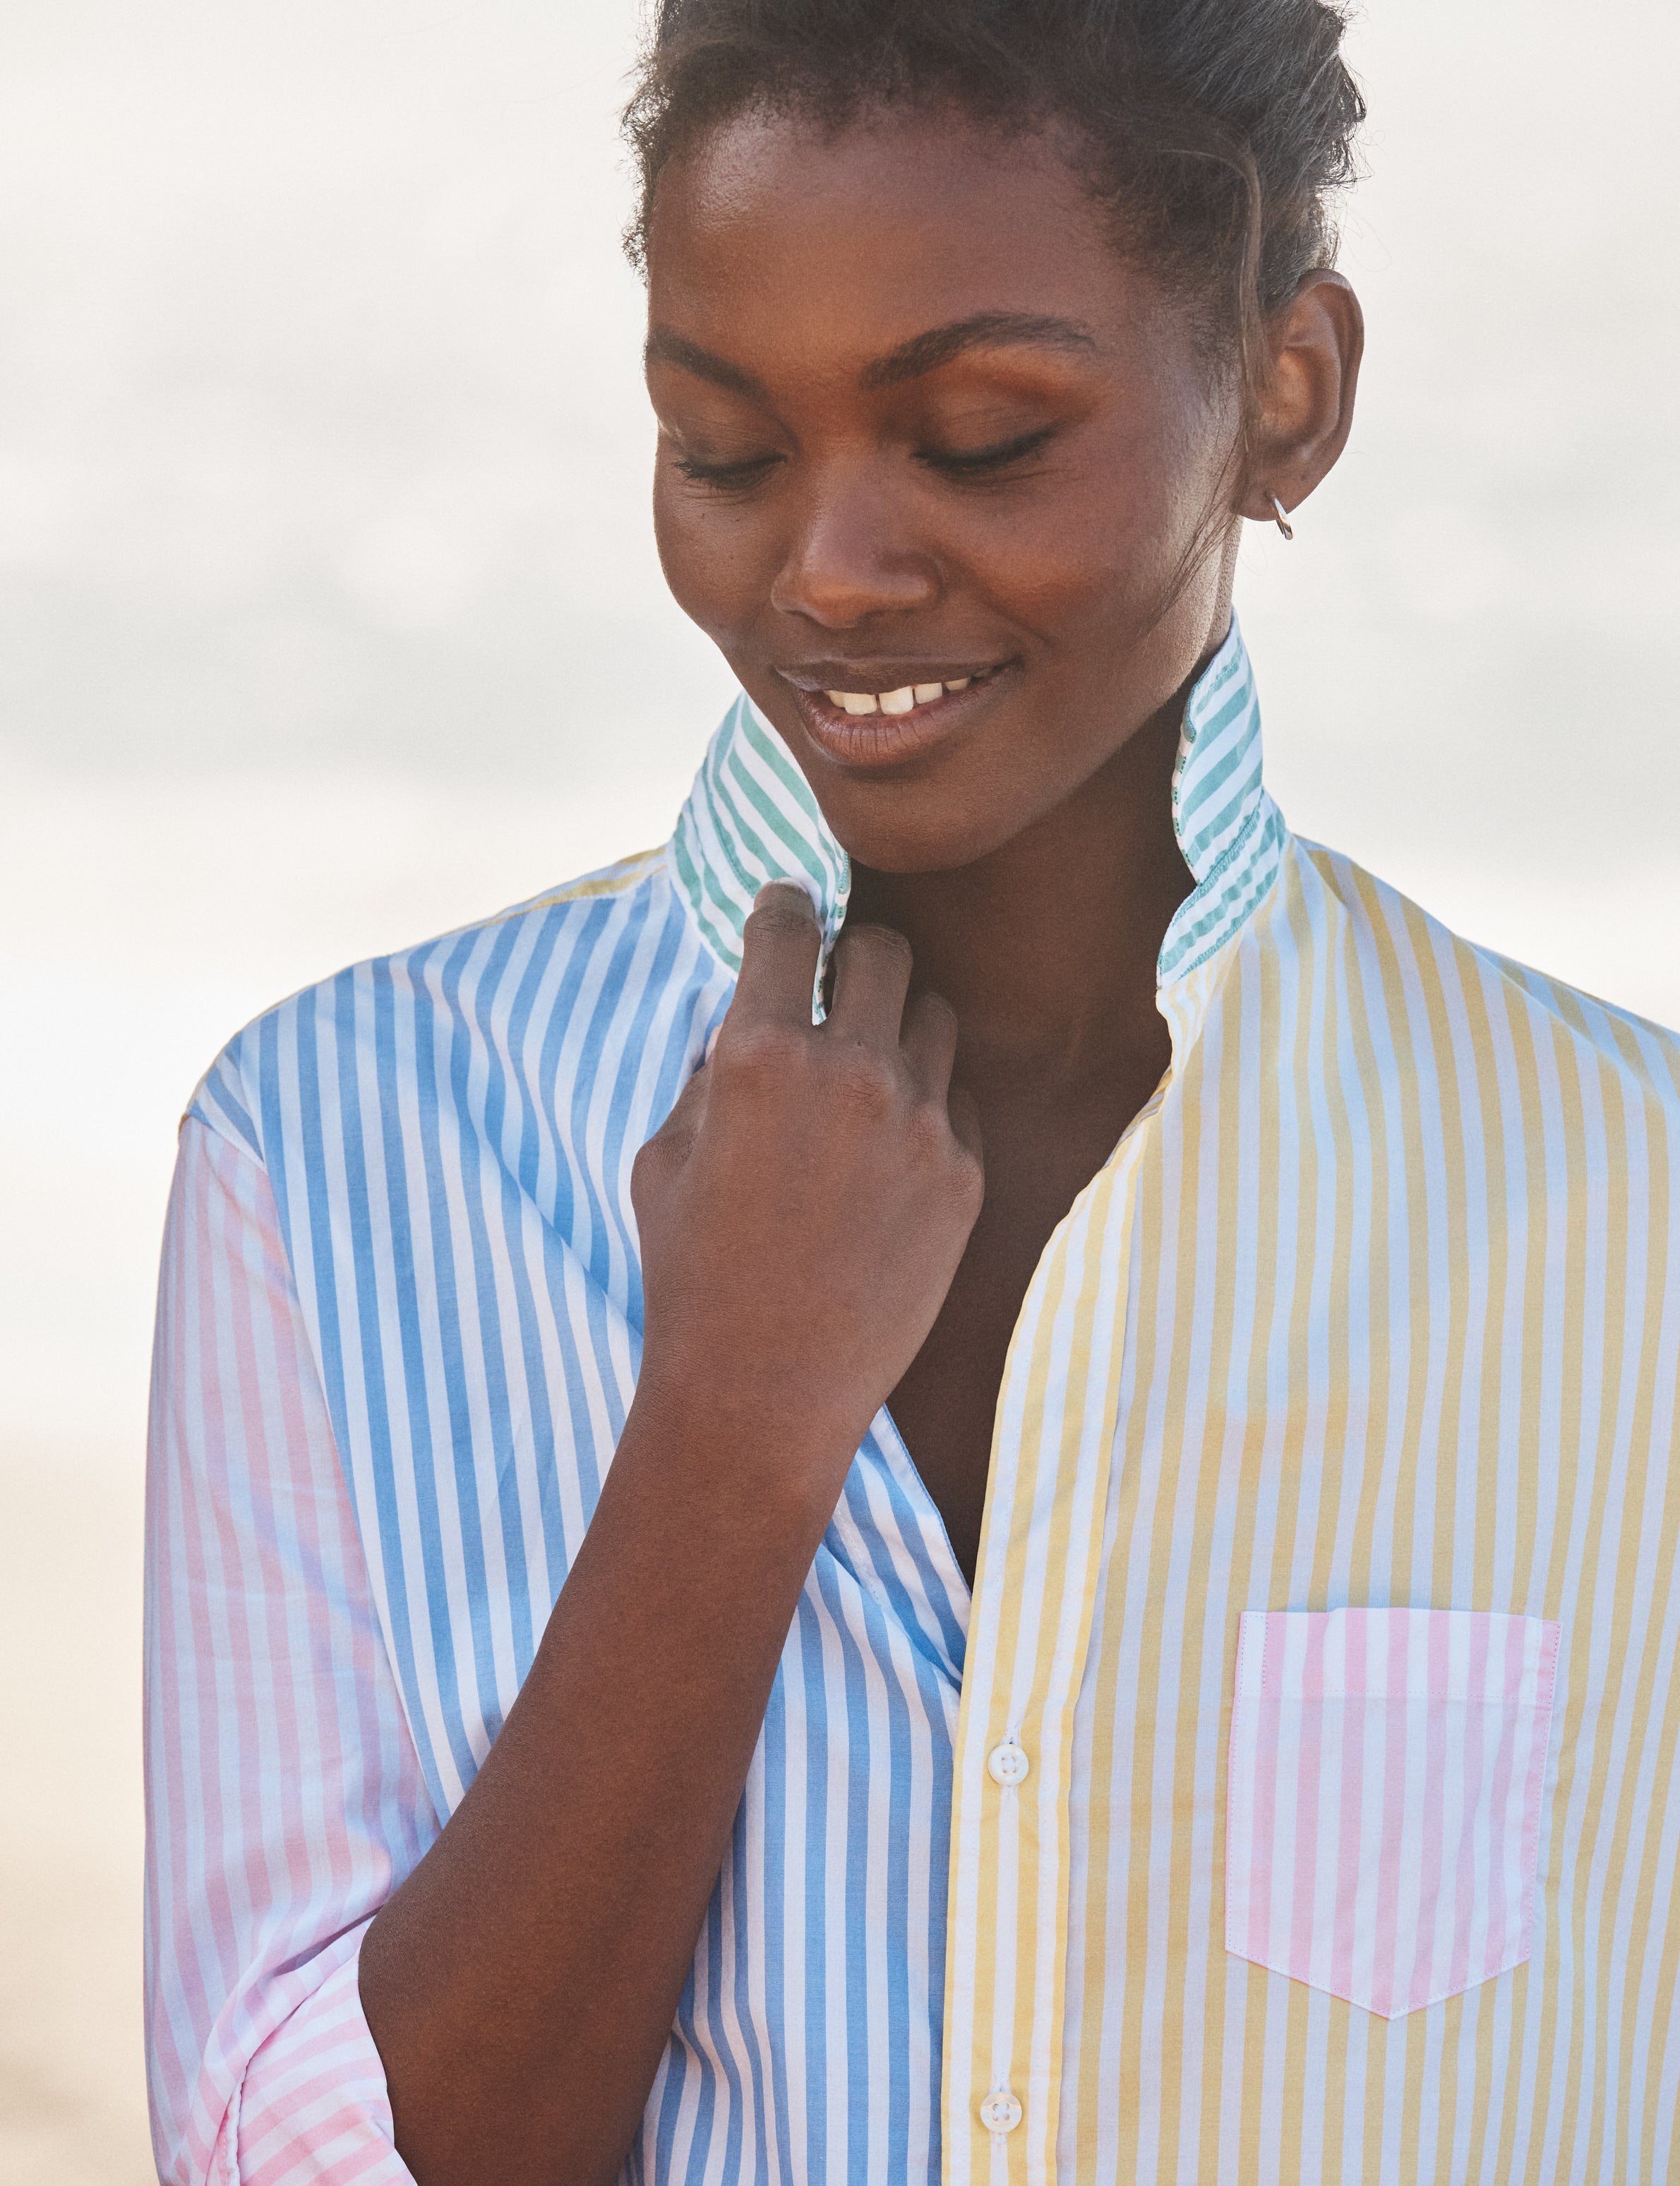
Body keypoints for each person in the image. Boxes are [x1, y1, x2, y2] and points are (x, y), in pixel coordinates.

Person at [142, 1, 1680, 2181]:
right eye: (725, 450)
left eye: (975, 437)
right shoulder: (337, 1155)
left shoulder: (1627, 1210)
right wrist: (730, 1434)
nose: (829, 569)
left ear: (1285, 393)